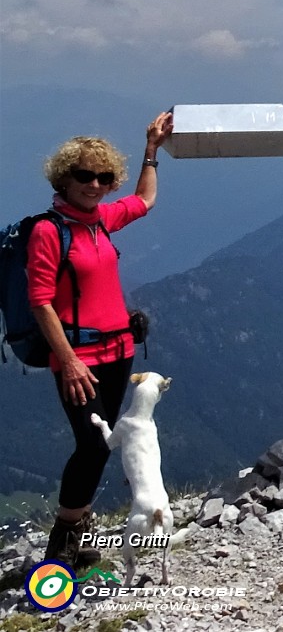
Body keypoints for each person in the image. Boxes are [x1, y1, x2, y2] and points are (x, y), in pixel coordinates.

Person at [31, 111, 173, 567]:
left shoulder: (100, 221)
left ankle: (81, 529)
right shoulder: (49, 231)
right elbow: (40, 302)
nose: (94, 184)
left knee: (104, 445)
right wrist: (69, 361)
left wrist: (151, 150)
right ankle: (64, 539)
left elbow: (146, 201)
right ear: (65, 178)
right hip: (80, 358)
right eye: (84, 175)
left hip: (119, 353)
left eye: (103, 177)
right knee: (92, 445)